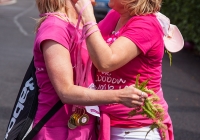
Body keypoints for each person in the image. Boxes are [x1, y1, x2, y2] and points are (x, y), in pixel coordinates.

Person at [32, 0, 148, 140]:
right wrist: (119, 96)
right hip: (56, 129)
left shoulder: (80, 24)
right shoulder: (55, 27)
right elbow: (65, 92)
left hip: (84, 126)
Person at [75, 0, 184, 139]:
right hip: (110, 123)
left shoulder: (146, 24)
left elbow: (106, 62)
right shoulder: (115, 16)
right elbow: (88, 44)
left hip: (136, 129)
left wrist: (88, 18)